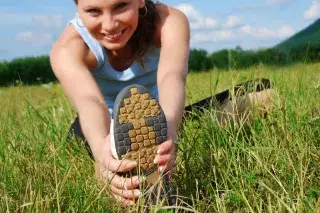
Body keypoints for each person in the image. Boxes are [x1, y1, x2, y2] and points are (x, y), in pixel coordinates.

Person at [50, 0, 190, 206]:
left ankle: (155, 174)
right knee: (94, 148)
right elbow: (90, 102)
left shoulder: (170, 21)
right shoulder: (67, 48)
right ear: (78, 10)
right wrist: (100, 153)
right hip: (99, 126)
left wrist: (169, 129)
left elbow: (172, 76)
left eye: (120, 6)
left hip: (156, 118)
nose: (109, 25)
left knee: (247, 96)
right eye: (93, 11)